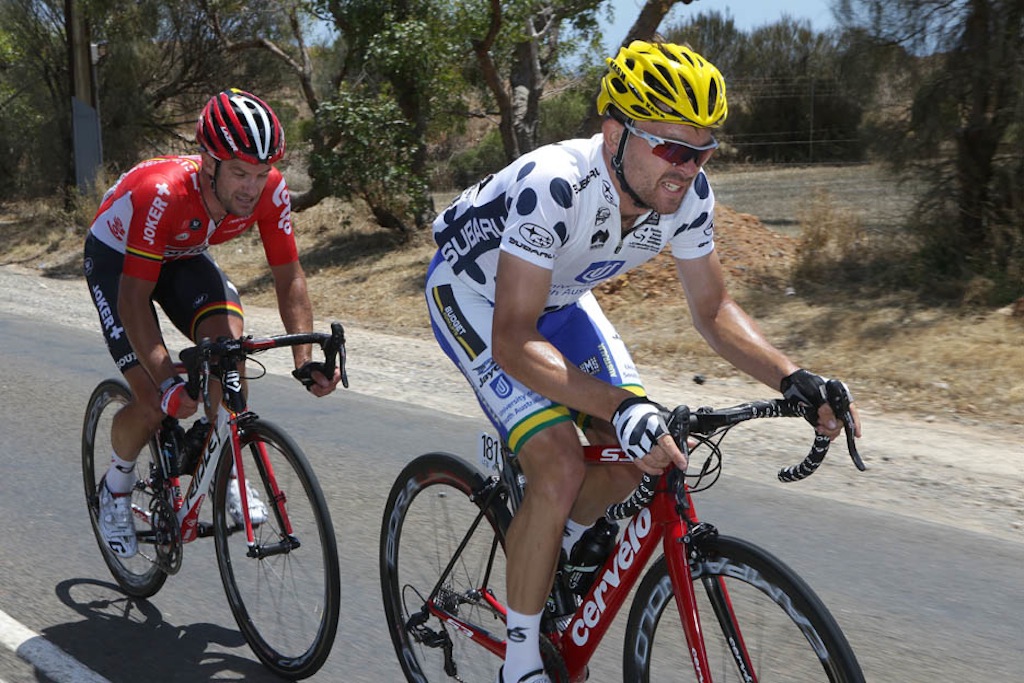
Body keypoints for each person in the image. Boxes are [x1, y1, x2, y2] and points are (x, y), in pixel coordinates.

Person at [425, 41, 862, 683]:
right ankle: (519, 660)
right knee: (558, 463)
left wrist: (793, 378)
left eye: (703, 149)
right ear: (614, 132)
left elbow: (713, 310)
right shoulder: (555, 185)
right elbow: (514, 339)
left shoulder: (687, 196)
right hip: (477, 298)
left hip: (565, 297)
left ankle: (556, 547)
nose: (687, 167)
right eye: (671, 147)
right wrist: (618, 405)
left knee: (647, 449)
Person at [84, 88, 342, 559]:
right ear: (208, 163)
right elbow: (134, 298)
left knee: (229, 353)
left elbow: (289, 275)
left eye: (260, 174)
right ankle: (116, 487)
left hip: (181, 255)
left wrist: (303, 359)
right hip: (119, 263)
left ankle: (228, 476)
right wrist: (165, 381)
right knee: (155, 401)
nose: (251, 187)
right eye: (240, 173)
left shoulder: (271, 190)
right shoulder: (162, 194)